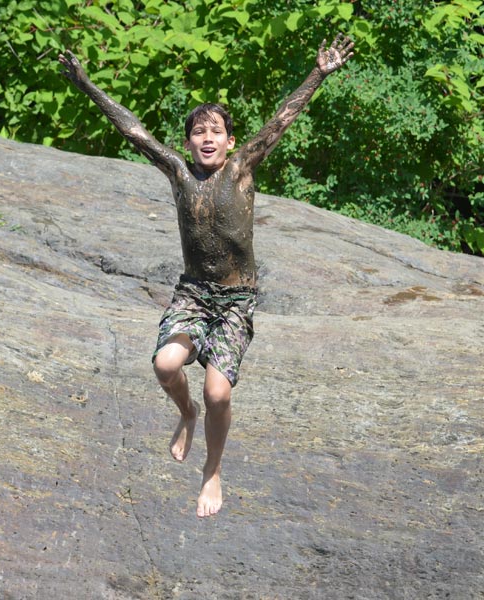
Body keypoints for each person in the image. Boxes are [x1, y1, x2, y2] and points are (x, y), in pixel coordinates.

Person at [59, 34, 354, 517]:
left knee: (219, 390)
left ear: (230, 140)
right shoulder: (178, 172)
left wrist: (319, 72)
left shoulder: (241, 169)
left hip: (236, 300)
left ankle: (212, 471)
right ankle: (185, 414)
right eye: (199, 132)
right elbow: (133, 132)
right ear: (188, 141)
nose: (208, 138)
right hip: (194, 294)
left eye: (216, 131)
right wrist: (87, 85)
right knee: (165, 365)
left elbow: (281, 121)